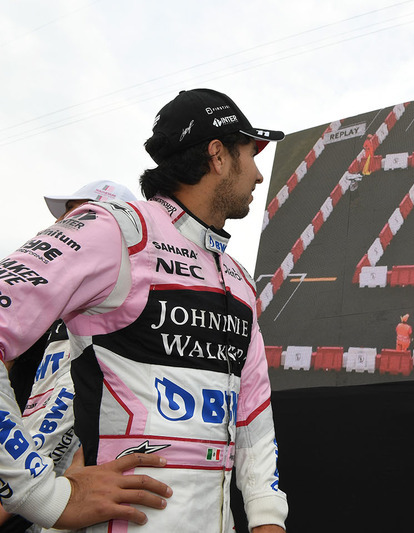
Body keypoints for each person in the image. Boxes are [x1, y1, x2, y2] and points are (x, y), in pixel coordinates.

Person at [0, 88, 287, 532]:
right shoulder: (115, 228)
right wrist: (42, 495)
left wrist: (269, 520)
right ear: (218, 155)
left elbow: (252, 414)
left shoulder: (238, 278)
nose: (258, 175)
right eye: (252, 153)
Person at [0, 181, 138, 532]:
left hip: (45, 495)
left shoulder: (112, 314)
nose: (62, 227)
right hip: (29, 483)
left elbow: (65, 408)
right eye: (67, 217)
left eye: (80, 217)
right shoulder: (57, 308)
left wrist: (27, 490)